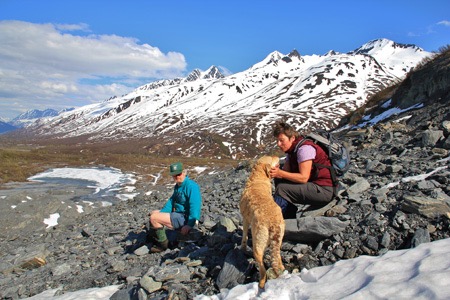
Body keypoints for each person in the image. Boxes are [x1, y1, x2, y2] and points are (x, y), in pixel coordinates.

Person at [269, 121, 335, 219]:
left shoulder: (304, 149)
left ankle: (276, 222)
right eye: (277, 141)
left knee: (282, 189)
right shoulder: (292, 150)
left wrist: (281, 173)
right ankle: (288, 215)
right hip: (315, 185)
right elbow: (286, 173)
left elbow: (304, 178)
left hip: (324, 190)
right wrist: (278, 173)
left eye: (282, 140)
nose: (279, 144)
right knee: (279, 180)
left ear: (292, 138)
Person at [148, 162, 202, 253]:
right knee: (154, 213)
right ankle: (159, 237)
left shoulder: (191, 186)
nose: (177, 177)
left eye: (179, 174)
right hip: (178, 214)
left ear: (183, 173)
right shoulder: (178, 186)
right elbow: (172, 201)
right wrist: (162, 212)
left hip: (184, 217)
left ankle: (163, 245)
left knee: (153, 218)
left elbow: (195, 205)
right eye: (174, 175)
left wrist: (189, 224)